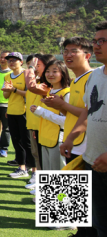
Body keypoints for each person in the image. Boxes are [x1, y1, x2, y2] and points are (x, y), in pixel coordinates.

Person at [44, 38, 96, 237]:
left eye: (74, 51)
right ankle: (71, 225)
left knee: (87, 194)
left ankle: (68, 223)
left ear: (88, 55)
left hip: (85, 144)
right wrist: (59, 106)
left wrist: (63, 106)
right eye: (66, 51)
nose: (68, 55)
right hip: (73, 141)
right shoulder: (76, 80)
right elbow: (75, 112)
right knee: (74, 190)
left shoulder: (93, 77)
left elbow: (90, 112)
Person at [60, 21, 107, 237]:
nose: (97, 45)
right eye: (96, 41)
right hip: (91, 158)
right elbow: (90, 112)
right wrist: (70, 137)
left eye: (103, 41)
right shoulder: (96, 76)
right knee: (95, 219)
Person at [30, 60, 71, 172]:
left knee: (59, 174)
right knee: (48, 173)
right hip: (45, 138)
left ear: (63, 73)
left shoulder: (67, 93)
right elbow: (48, 115)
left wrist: (41, 112)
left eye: (54, 71)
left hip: (58, 140)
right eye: (47, 71)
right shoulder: (51, 91)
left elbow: (67, 121)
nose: (50, 74)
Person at [2, 52, 35, 178]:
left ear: (21, 62)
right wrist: (8, 90)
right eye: (9, 60)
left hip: (24, 112)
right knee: (16, 141)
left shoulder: (27, 74)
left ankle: (34, 170)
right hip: (11, 111)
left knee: (27, 142)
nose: (11, 62)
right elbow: (6, 96)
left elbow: (30, 93)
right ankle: (21, 167)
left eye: (14, 60)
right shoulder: (7, 76)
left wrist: (14, 90)